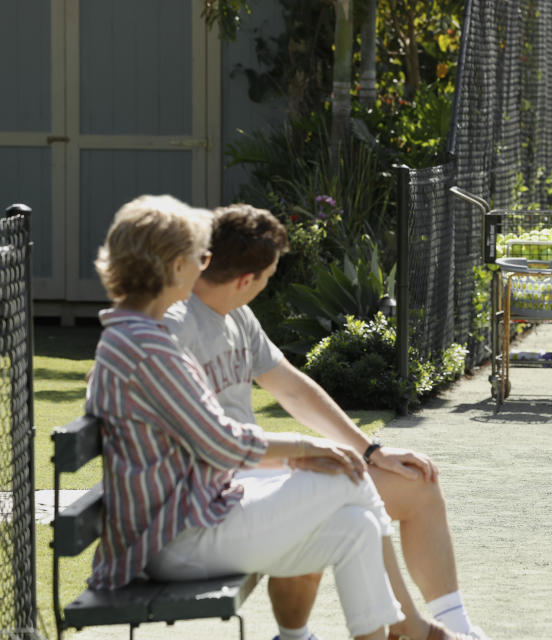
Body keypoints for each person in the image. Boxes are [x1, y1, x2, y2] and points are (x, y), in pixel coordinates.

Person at [86, 194, 407, 640]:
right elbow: (220, 443)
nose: (206, 263)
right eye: (199, 254)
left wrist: (306, 452)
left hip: (194, 513)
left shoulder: (137, 335)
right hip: (175, 537)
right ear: (176, 266)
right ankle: (406, 628)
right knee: (346, 475)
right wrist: (307, 447)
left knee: (354, 527)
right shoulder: (147, 346)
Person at [162, 204, 487, 640]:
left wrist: (371, 451)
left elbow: (293, 389)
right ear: (245, 280)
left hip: (250, 481)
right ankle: (412, 630)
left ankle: (448, 626)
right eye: (268, 277)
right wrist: (305, 451)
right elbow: (204, 441)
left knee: (411, 483)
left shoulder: (236, 313)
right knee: (344, 485)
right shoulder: (171, 326)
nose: (265, 286)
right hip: (213, 498)